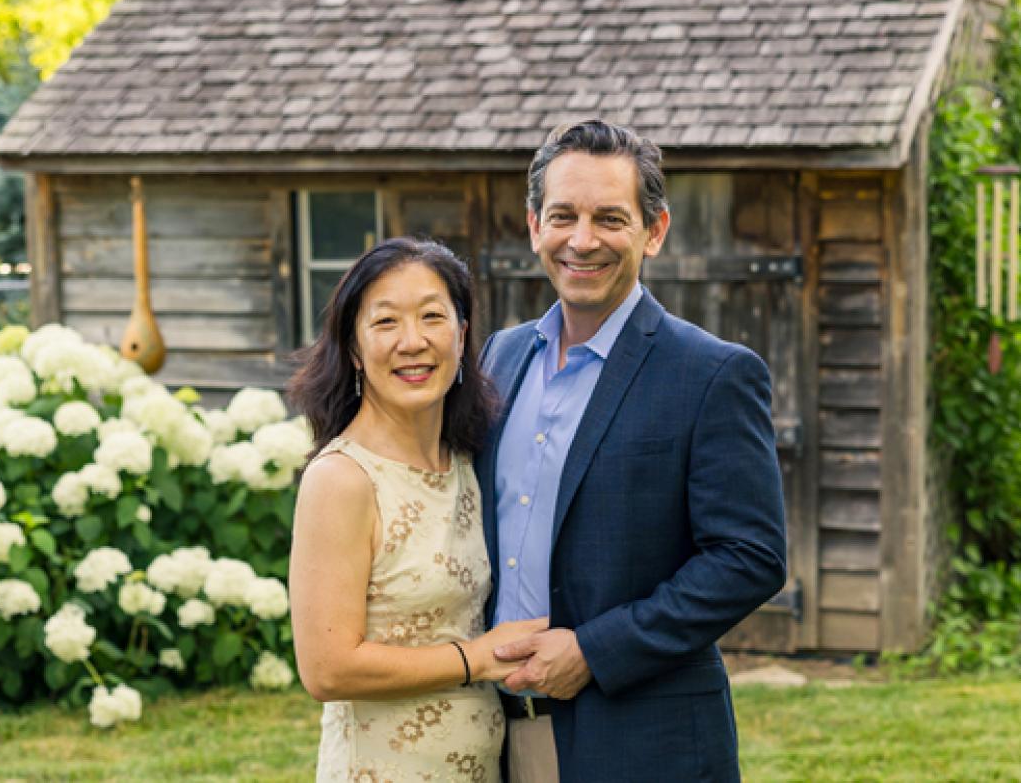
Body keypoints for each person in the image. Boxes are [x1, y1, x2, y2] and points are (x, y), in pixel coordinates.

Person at [478, 119, 788, 781]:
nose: (582, 240)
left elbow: (750, 558)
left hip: (645, 742)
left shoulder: (711, 374)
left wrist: (594, 649)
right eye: (563, 216)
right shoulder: (498, 358)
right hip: (495, 736)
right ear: (535, 226)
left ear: (654, 231)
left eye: (609, 219)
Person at [288, 238, 547, 782]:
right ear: (354, 349)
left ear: (461, 334)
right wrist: (476, 658)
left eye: (432, 316)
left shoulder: (468, 462)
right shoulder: (342, 479)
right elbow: (327, 669)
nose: (413, 342)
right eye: (385, 323)